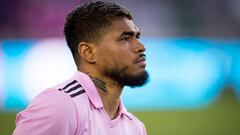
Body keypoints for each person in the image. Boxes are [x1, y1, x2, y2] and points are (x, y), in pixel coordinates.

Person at [13, 1, 149, 135]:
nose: (141, 47)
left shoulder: (135, 127)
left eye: (137, 37)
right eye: (125, 38)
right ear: (88, 52)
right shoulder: (60, 106)